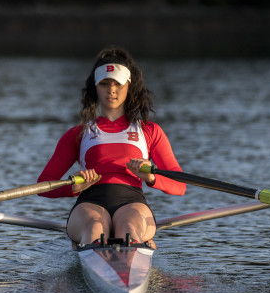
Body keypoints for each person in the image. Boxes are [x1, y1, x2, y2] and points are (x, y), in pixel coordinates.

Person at [37, 46, 186, 249]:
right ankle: (105, 250)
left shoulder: (150, 131)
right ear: (95, 88)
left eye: (118, 83)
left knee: (128, 227)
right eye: (104, 83)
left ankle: (128, 254)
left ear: (129, 86)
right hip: (89, 203)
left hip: (132, 202)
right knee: (95, 228)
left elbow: (179, 185)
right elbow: (44, 185)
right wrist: (74, 187)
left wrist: (150, 177)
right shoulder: (78, 134)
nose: (111, 90)